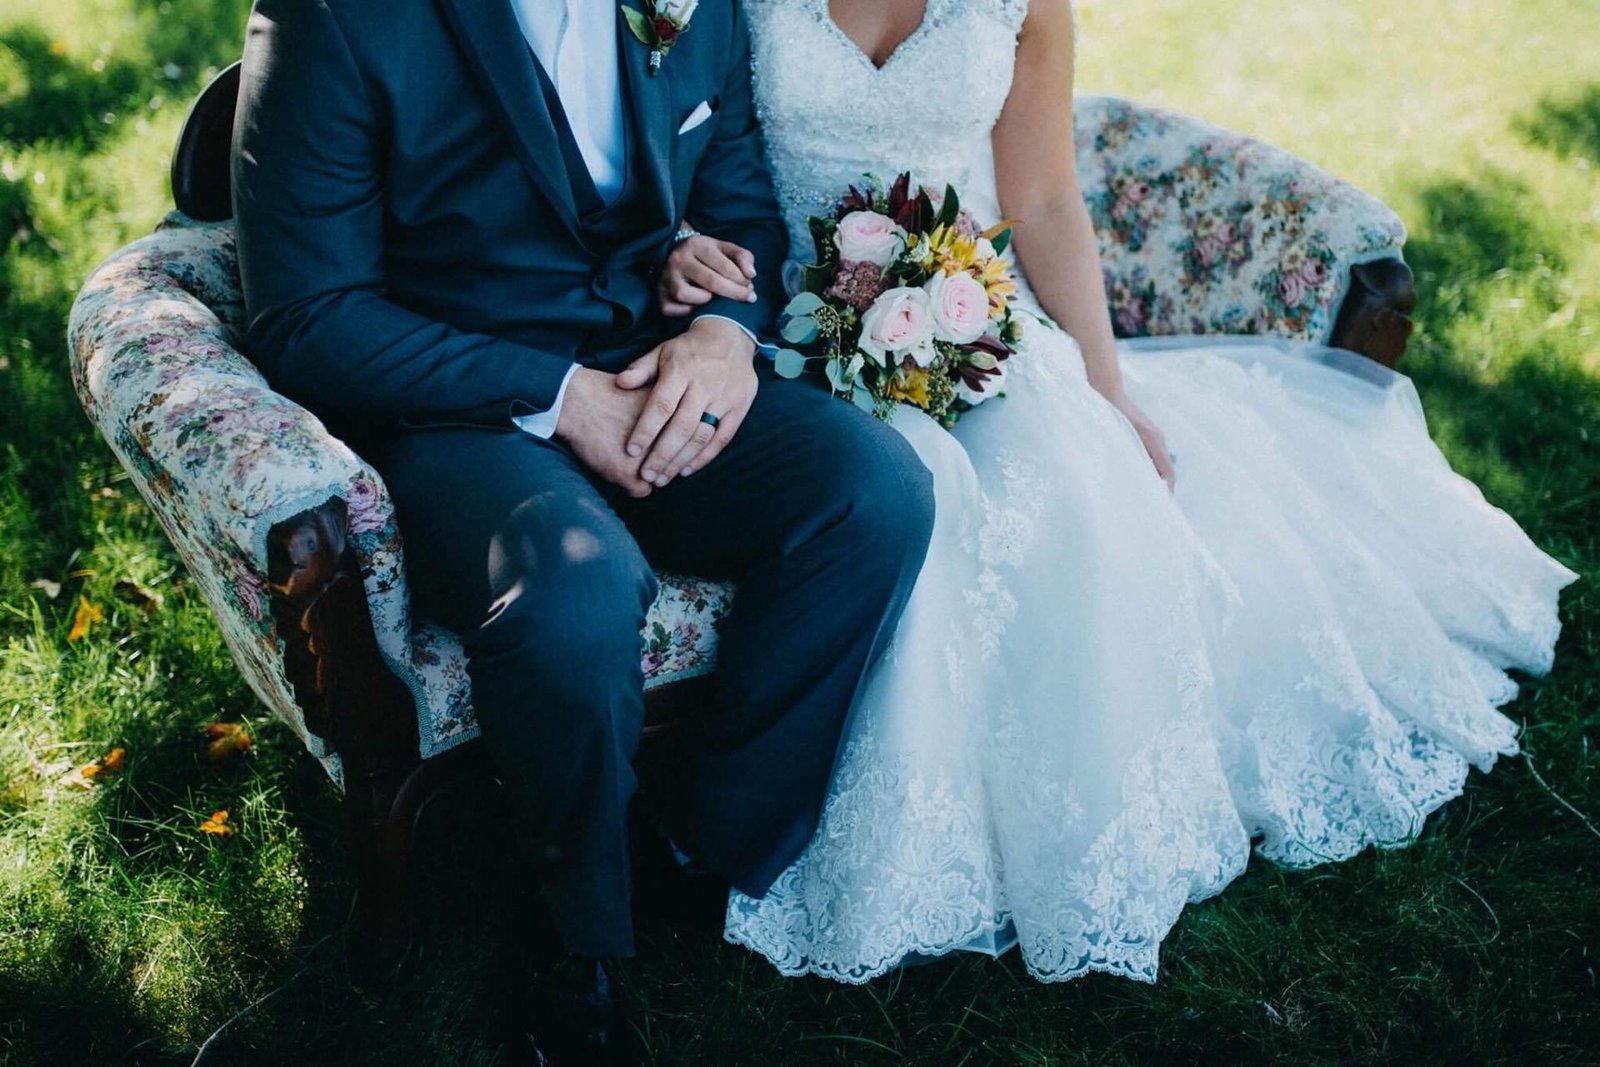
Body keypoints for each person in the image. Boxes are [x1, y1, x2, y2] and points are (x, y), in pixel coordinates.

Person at [657, 0, 1579, 985]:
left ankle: (1045, 824)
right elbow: (667, 141)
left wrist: (1106, 387)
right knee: (915, 496)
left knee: (1062, 483)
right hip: (776, 332)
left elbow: (1046, 199)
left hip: (963, 316)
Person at [231, 0, 934, 1058]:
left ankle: (699, 854)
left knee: (873, 491)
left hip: (655, 364)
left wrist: (720, 330)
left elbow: (738, 198)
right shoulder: (338, 16)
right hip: (465, 406)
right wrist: (558, 395)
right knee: (571, 595)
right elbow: (308, 313)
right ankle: (574, 941)